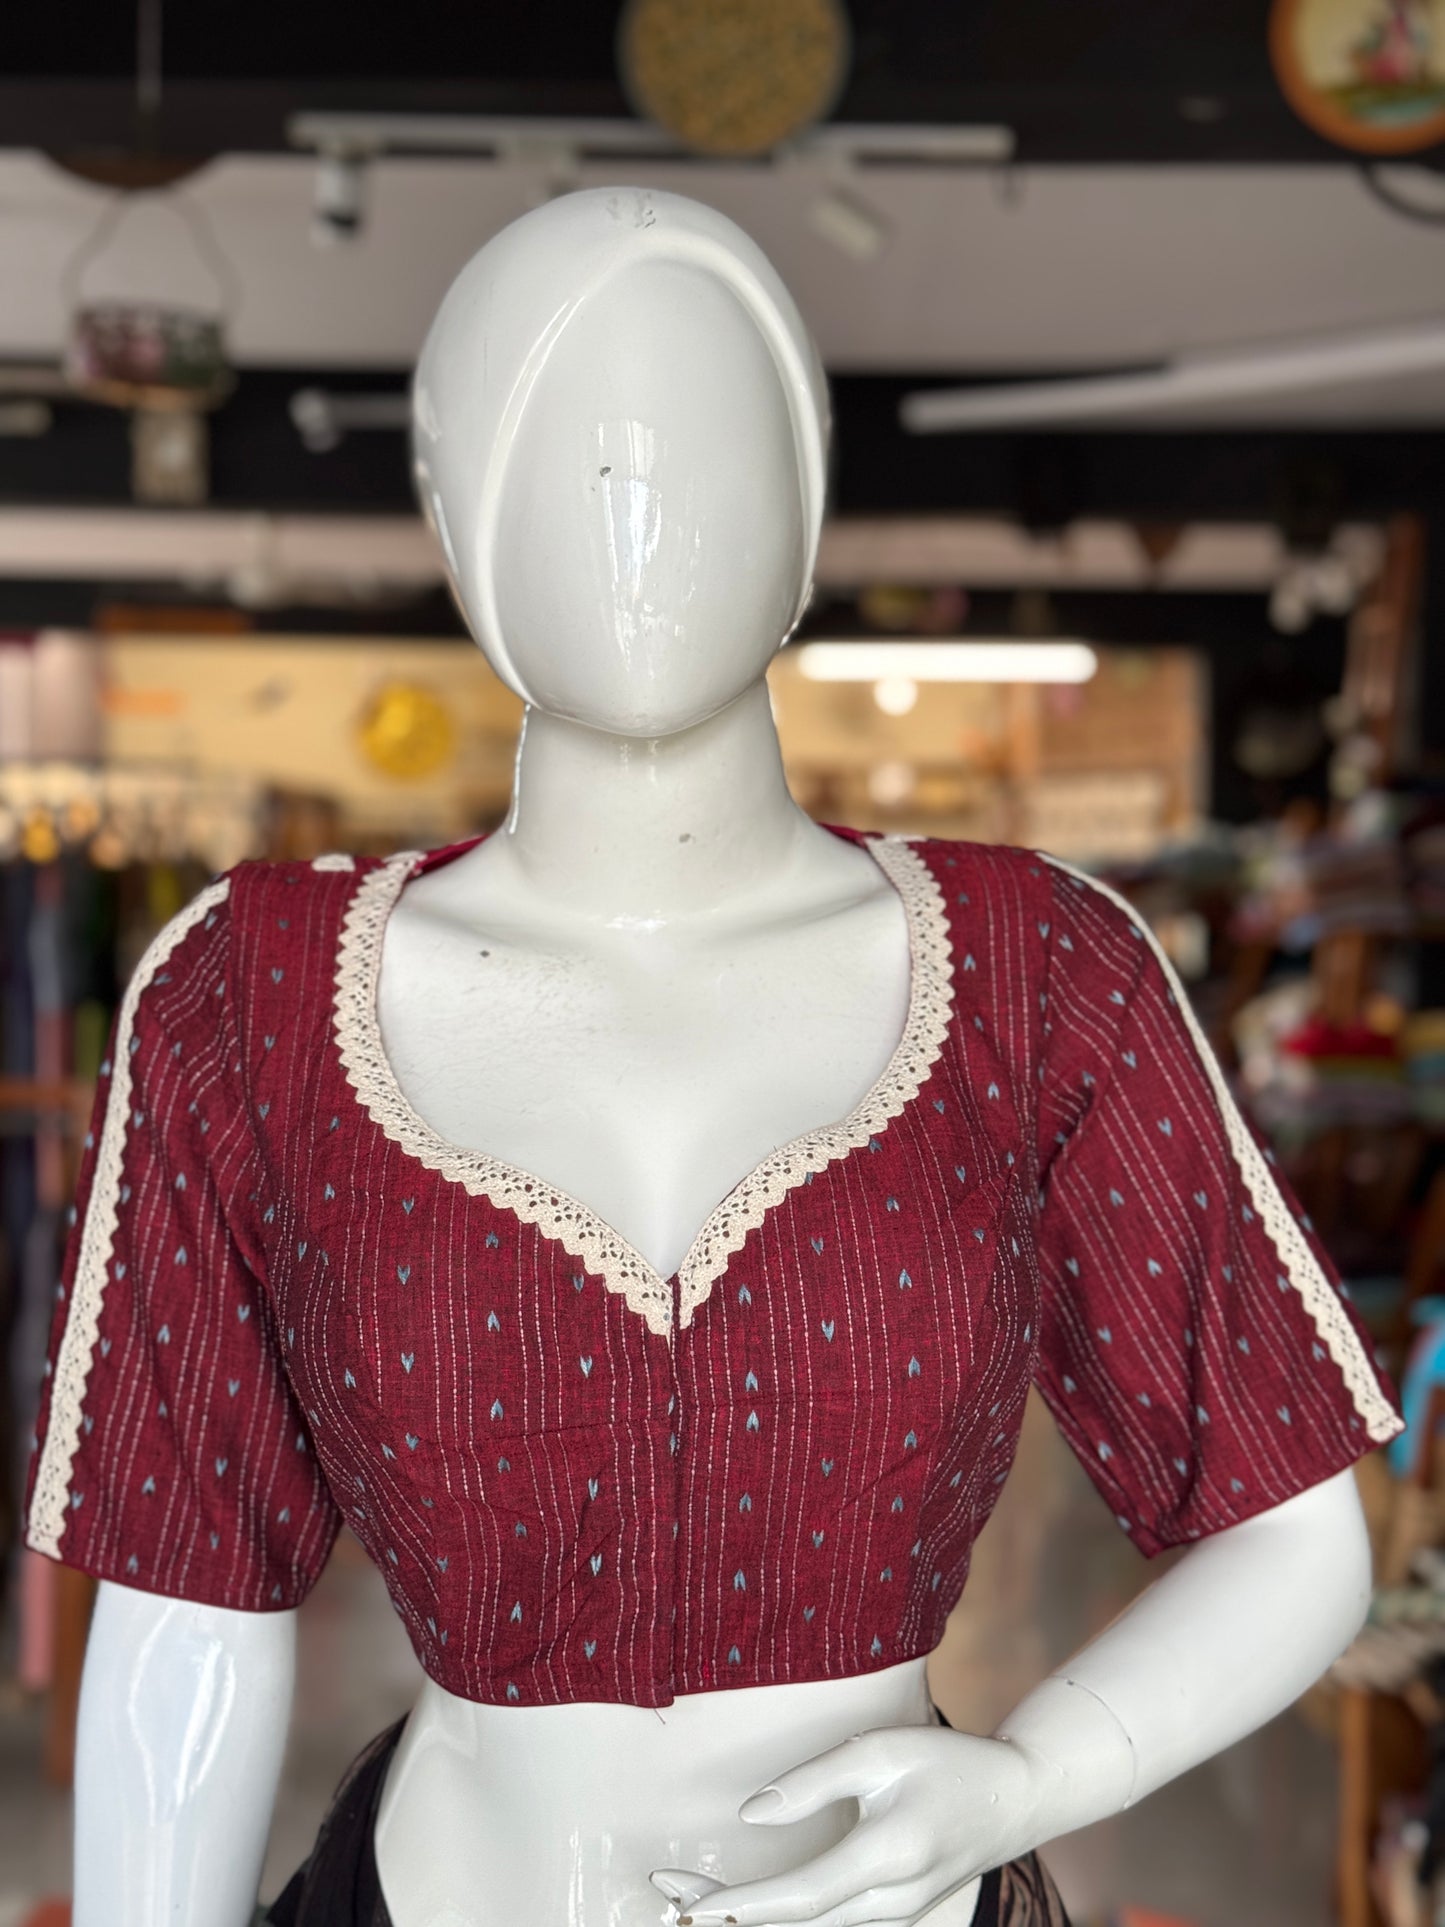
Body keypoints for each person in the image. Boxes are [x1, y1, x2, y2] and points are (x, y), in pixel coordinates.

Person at [26, 186, 1403, 1927]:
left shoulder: (1044, 973)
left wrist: (1040, 1780)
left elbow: (1295, 1524)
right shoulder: (247, 998)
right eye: (549, 438)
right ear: (446, 514)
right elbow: (184, 1599)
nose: (630, 500)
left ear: (814, 498)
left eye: (700, 430)